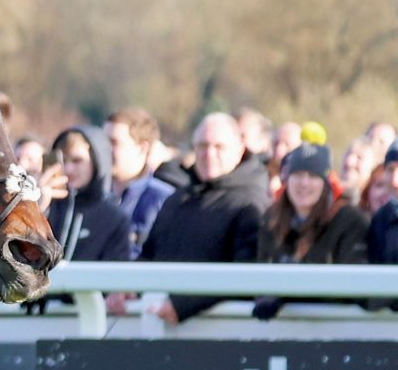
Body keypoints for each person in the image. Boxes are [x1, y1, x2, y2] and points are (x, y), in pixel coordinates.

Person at [137, 113, 270, 324]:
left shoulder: (251, 204)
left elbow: (245, 274)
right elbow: (149, 256)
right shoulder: (177, 200)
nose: (209, 154)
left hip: (220, 334)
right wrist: (127, 289)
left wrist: (183, 305)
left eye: (219, 147)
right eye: (202, 145)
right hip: (160, 326)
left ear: (240, 148)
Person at [253, 141, 370, 319]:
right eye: (297, 175)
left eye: (312, 176)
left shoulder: (349, 221)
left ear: (326, 182)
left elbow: (351, 284)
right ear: (287, 179)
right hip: (279, 332)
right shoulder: (272, 220)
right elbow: (259, 273)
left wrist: (285, 294)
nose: (304, 183)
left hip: (335, 327)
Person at [44, 126, 131, 261]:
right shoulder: (47, 206)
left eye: (77, 160)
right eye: (64, 160)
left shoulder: (114, 218)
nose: (68, 169)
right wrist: (38, 207)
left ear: (97, 162)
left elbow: (116, 275)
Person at [105, 107, 177, 253]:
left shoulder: (163, 199)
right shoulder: (95, 195)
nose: (105, 149)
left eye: (114, 142)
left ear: (142, 148)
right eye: (103, 141)